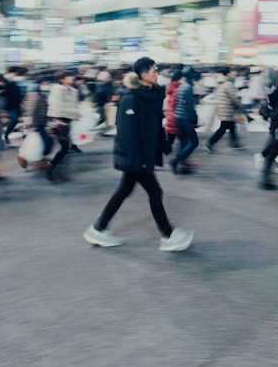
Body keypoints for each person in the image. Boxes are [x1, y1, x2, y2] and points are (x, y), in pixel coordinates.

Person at [83, 57, 193, 252]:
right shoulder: (131, 98)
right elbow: (127, 134)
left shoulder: (150, 95)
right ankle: (168, 235)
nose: (156, 73)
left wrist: (165, 146)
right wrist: (137, 160)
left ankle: (98, 228)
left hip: (140, 156)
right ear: (143, 75)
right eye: (153, 71)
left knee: (124, 191)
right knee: (154, 192)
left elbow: (153, 126)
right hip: (135, 157)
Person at [46, 69, 80, 181]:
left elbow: (74, 105)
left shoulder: (73, 90)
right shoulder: (57, 90)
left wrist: (75, 113)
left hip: (67, 120)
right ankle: (50, 168)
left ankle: (55, 169)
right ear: (61, 79)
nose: (72, 78)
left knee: (65, 147)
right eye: (69, 76)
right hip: (57, 120)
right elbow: (56, 107)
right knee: (65, 146)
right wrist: (74, 113)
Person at [169, 66, 200, 174]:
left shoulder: (182, 86)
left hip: (178, 117)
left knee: (184, 141)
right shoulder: (188, 87)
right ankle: (175, 161)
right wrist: (194, 118)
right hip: (185, 118)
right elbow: (189, 106)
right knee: (194, 142)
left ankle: (183, 163)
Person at [20, 75, 54, 173]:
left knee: (43, 143)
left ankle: (36, 159)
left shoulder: (39, 95)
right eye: (46, 83)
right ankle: (33, 160)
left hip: (39, 123)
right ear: (40, 84)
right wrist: (31, 126)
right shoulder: (34, 96)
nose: (47, 85)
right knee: (41, 143)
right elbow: (31, 111)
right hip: (36, 124)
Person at [206, 68, 243, 152]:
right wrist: (239, 104)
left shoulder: (220, 83)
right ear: (227, 74)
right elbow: (233, 97)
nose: (232, 74)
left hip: (223, 108)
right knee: (223, 128)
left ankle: (235, 143)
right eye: (230, 72)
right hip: (227, 109)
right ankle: (210, 142)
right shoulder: (228, 84)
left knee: (232, 126)